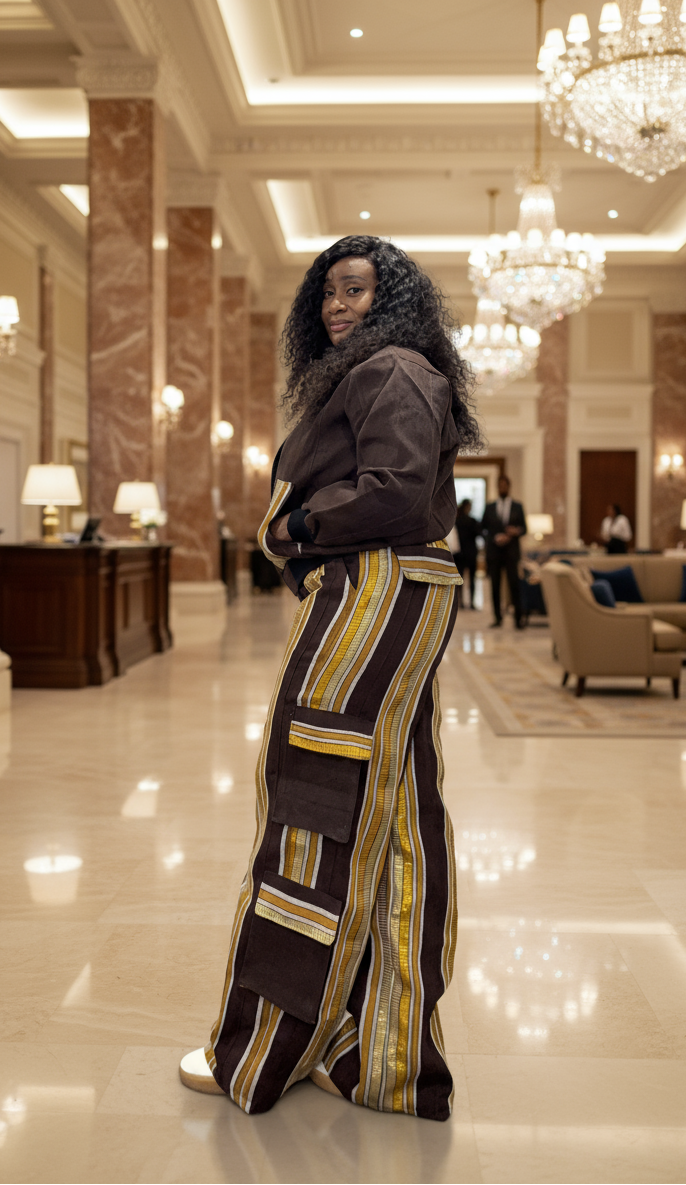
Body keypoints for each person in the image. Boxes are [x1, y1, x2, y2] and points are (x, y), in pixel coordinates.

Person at [178, 235, 481, 1121]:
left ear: (392, 302)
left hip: (370, 594)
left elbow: (388, 491)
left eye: (356, 289)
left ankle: (267, 1048)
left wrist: (294, 526)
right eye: (327, 294)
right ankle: (379, 1052)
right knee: (392, 815)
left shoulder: (390, 367)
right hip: (393, 594)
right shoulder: (397, 371)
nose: (337, 306)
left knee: (313, 807)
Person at [481, 475, 527, 629]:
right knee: (495, 585)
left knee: (514, 584)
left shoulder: (517, 506)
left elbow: (524, 529)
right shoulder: (490, 507)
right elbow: (483, 528)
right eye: (500, 485)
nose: (502, 488)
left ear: (509, 487)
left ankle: (518, 618)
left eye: (505, 485)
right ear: (497, 487)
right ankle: (497, 618)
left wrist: (515, 532)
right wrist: (494, 537)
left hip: (511, 552)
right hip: (494, 552)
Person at [452, 498, 480, 609]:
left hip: (460, 554)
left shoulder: (456, 521)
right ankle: (471, 602)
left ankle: (462, 602)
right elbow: (479, 534)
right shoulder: (472, 521)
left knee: (461, 580)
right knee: (471, 579)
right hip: (470, 554)